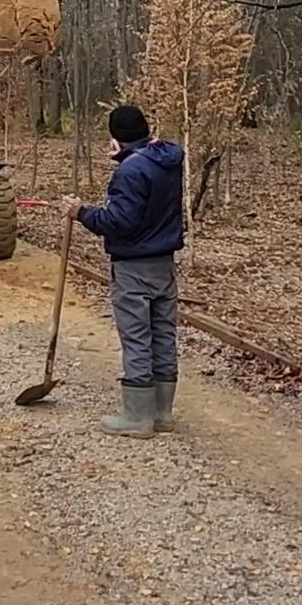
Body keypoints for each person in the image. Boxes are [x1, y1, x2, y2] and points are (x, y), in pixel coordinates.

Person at [61, 104, 185, 438]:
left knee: (137, 337)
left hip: (134, 266)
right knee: (162, 334)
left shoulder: (130, 172)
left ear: (117, 138)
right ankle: (162, 413)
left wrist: (81, 212)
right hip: (164, 263)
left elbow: (120, 223)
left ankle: (137, 417)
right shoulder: (168, 161)